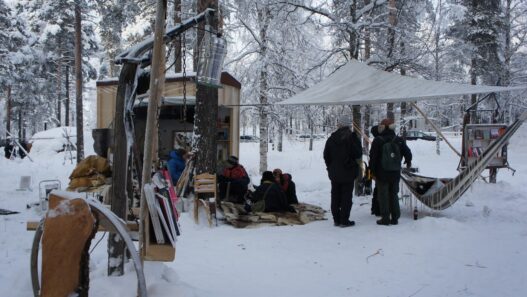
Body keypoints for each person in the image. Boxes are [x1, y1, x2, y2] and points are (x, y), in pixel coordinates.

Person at [369, 118, 412, 226]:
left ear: (382, 127)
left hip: (381, 173)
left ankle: (385, 218)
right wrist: (407, 161)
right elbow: (408, 153)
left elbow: (372, 158)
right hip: (395, 173)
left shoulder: (378, 140)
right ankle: (395, 217)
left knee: (383, 195)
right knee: (393, 194)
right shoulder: (398, 139)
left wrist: (372, 172)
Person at [323, 115, 362, 227]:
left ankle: (336, 220)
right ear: (349, 125)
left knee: (335, 195)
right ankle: (344, 221)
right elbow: (358, 154)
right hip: (348, 172)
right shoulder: (352, 138)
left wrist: (330, 167)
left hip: (334, 173)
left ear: (339, 125)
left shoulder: (331, 139)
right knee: (346, 197)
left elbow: (326, 156)